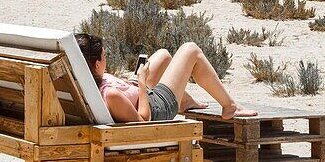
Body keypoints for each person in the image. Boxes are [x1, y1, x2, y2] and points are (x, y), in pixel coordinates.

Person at [75, 33, 257, 122]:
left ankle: (184, 101)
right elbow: (143, 122)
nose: (107, 59)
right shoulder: (111, 95)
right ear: (97, 65)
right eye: (104, 57)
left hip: (141, 94)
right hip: (158, 107)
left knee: (163, 56)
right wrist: (141, 82)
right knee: (190, 50)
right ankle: (230, 106)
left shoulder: (85, 81)